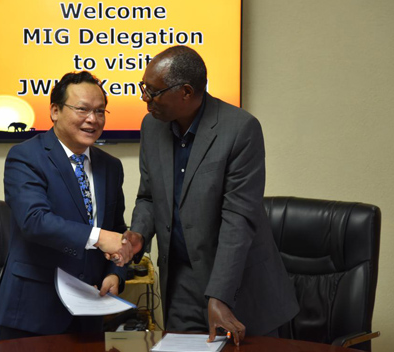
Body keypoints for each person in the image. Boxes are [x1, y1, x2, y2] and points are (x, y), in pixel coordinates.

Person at [122, 46, 299, 345]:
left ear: (186, 92)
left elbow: (238, 219)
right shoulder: (152, 127)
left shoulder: (240, 129)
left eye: (153, 92)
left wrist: (220, 295)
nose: (145, 98)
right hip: (181, 285)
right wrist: (139, 233)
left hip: (238, 285)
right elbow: (149, 197)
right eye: (143, 88)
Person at [0, 71, 132, 340]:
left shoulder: (111, 166)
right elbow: (34, 221)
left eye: (100, 111)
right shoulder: (26, 156)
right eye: (82, 109)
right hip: (33, 313)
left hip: (88, 314)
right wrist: (98, 237)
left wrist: (115, 273)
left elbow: (116, 229)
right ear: (55, 111)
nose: (93, 119)